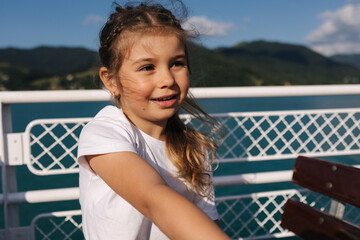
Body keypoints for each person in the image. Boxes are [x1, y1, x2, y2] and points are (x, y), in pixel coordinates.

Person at [77, 1, 230, 239]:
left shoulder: (194, 148)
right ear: (111, 81)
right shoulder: (104, 133)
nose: (167, 79)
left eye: (176, 64)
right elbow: (153, 198)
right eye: (147, 67)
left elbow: (208, 222)